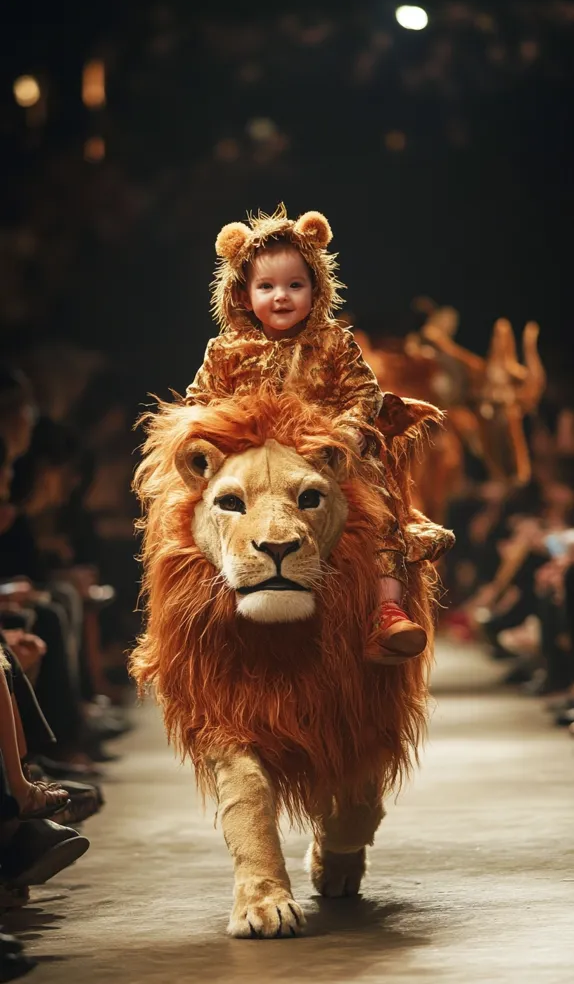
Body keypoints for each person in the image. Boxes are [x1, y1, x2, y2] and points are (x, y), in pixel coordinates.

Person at [185, 205, 454, 661]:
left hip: (325, 456)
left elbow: (363, 393)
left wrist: (346, 431)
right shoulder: (226, 349)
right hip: (250, 462)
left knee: (380, 508)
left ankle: (386, 610)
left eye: (295, 285)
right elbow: (200, 401)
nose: (282, 296)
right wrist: (213, 439)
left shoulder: (334, 342)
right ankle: (191, 620)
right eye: (266, 286)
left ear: (316, 289)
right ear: (242, 293)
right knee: (182, 520)